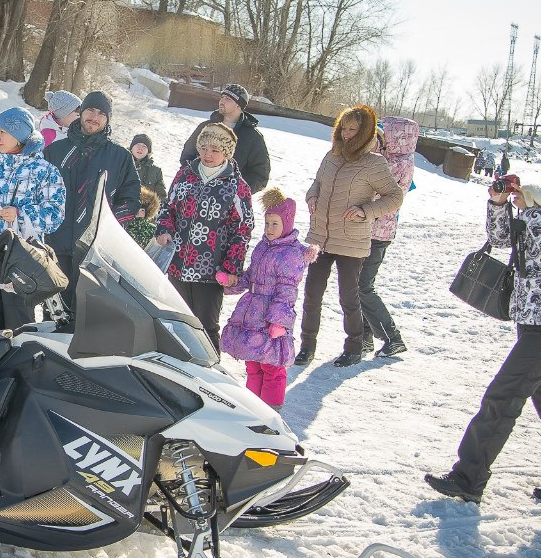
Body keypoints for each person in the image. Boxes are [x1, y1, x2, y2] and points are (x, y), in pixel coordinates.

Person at [425, 136, 541, 506]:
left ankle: (468, 477)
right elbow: (502, 239)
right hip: (532, 314)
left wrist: (534, 211)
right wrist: (499, 204)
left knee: (504, 395)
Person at [295, 105, 404, 367]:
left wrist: (366, 211)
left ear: (364, 132)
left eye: (352, 129)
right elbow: (317, 182)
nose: (346, 134)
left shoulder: (374, 163)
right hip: (321, 237)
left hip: (351, 240)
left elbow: (394, 196)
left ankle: (354, 347)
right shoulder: (331, 155)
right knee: (312, 295)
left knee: (348, 298)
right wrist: (312, 196)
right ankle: (307, 347)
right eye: (343, 128)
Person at [0, 106, 66, 333]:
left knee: (20, 326)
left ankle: (20, 357)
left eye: (4, 132)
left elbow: (55, 215)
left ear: (21, 135)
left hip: (22, 260)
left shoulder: (44, 170)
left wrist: (20, 214)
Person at [154, 121, 252, 351]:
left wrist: (231, 267)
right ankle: (176, 363)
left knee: (206, 325)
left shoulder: (236, 186)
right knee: (178, 321)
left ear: (226, 153)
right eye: (204, 148)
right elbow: (168, 207)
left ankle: (209, 365)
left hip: (211, 271)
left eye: (215, 150)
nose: (208, 154)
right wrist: (164, 229)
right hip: (178, 264)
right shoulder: (185, 175)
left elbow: (243, 229)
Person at [43, 91, 140, 314]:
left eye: (101, 113)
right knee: (55, 314)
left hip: (95, 250)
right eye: (90, 110)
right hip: (56, 245)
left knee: (90, 314)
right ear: (81, 112)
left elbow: (130, 198)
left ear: (108, 119)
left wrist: (109, 227)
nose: (94, 117)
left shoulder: (120, 157)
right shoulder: (54, 151)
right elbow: (38, 194)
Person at [221, 188, 318, 409]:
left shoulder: (291, 254)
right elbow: (251, 276)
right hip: (252, 315)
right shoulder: (263, 246)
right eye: (267, 223)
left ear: (287, 224)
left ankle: (271, 410)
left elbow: (287, 291)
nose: (270, 228)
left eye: (275, 224)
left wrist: (279, 322)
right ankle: (253, 407)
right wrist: (232, 282)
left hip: (271, 318)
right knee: (253, 364)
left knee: (272, 367)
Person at [358, 116, 418, 356]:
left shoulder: (400, 163)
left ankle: (392, 337)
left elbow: (373, 192)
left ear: (397, 139)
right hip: (366, 229)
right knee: (356, 285)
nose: (376, 141)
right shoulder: (382, 158)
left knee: (363, 286)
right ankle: (365, 337)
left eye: (382, 137)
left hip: (379, 232)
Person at [179, 83, 271, 194]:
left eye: (228, 99)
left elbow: (260, 175)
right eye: (222, 97)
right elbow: (187, 156)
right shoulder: (206, 127)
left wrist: (235, 191)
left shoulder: (253, 137)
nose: (222, 101)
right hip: (195, 193)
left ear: (238, 105)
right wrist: (191, 181)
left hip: (228, 200)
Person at [129, 134, 168, 204]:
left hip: (144, 208)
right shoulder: (121, 164)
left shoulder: (156, 171)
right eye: (138, 144)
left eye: (144, 146)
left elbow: (161, 197)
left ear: (148, 152)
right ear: (131, 148)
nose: (140, 148)